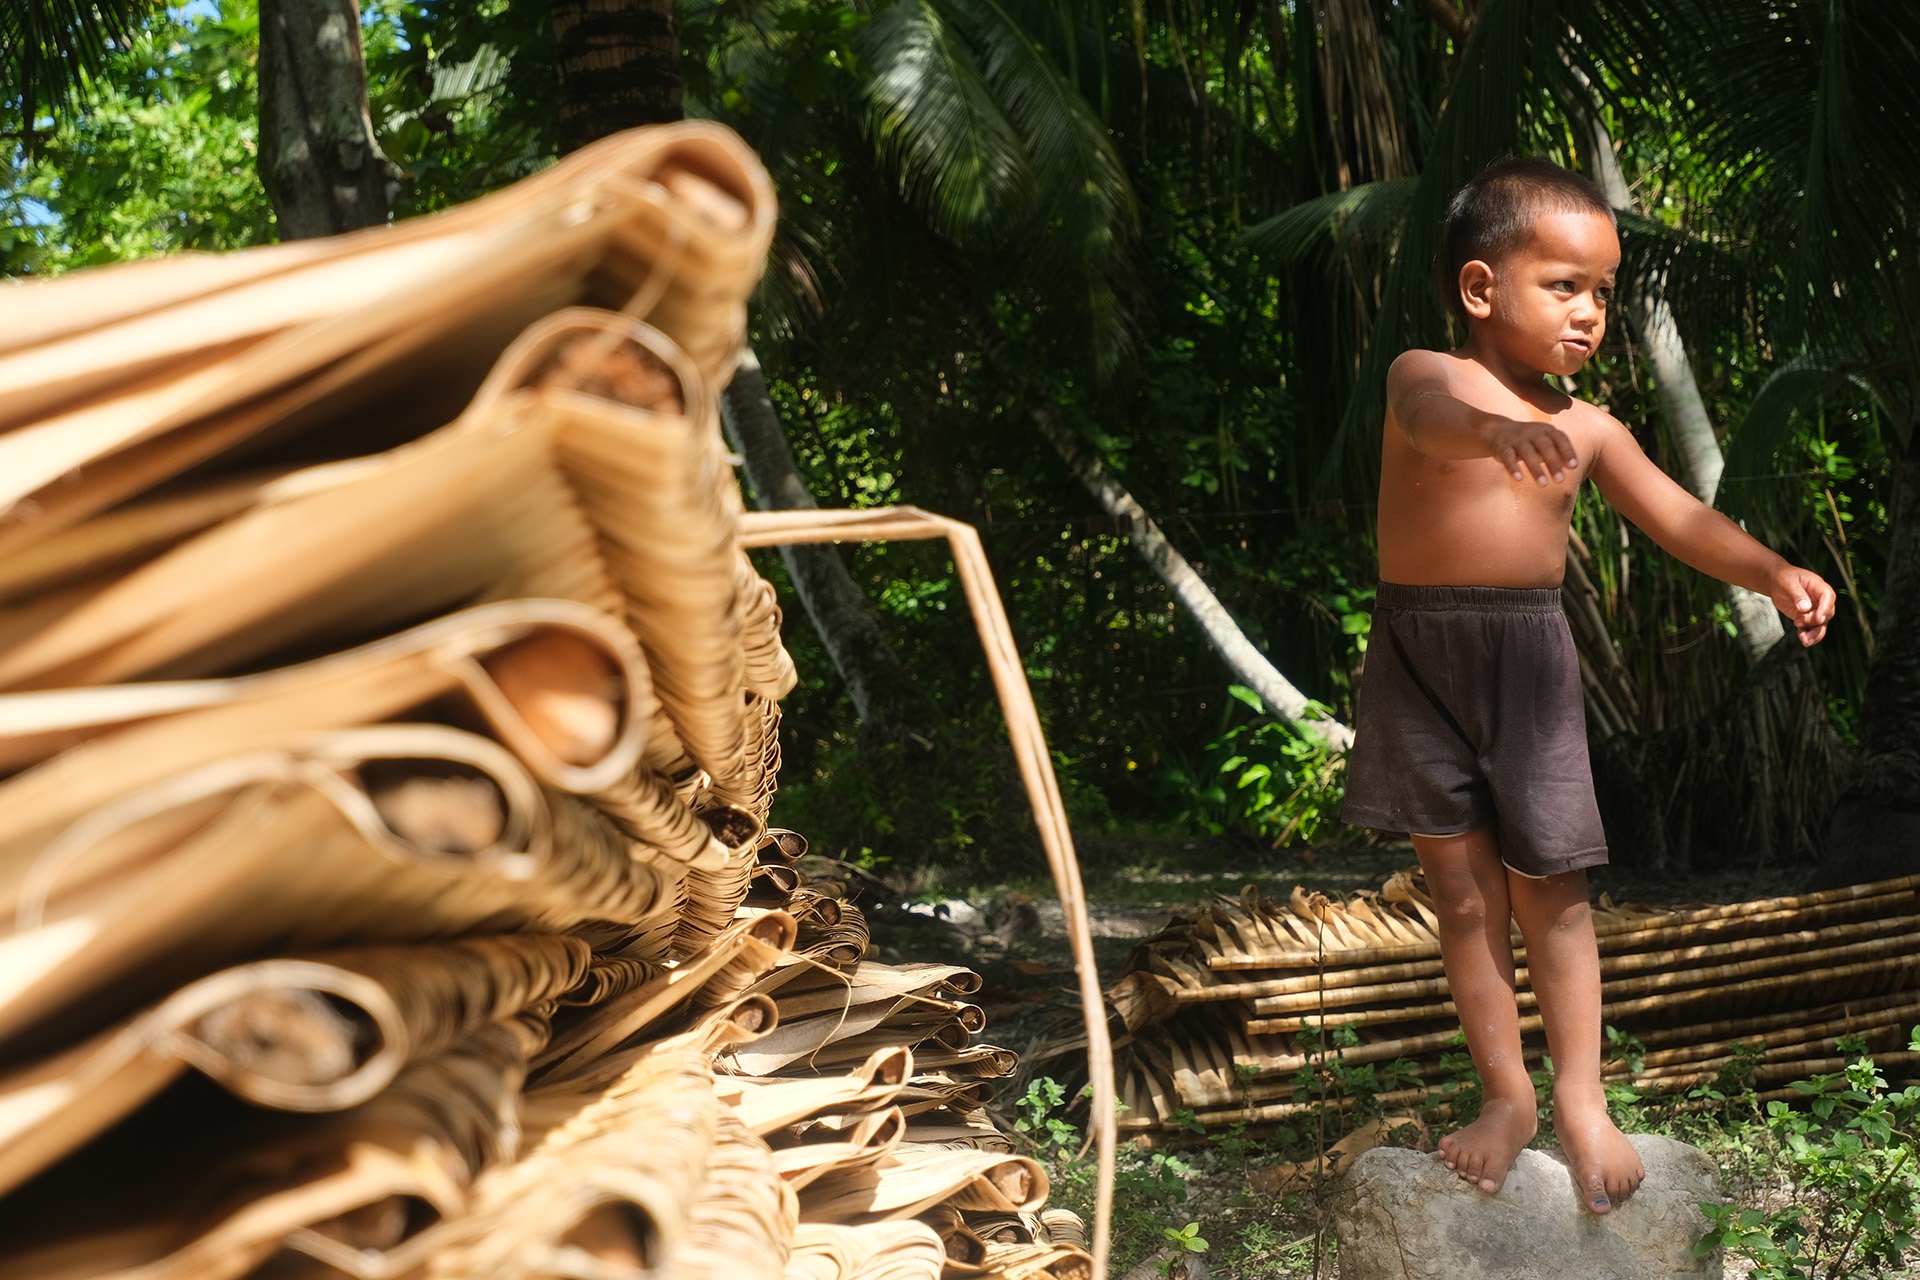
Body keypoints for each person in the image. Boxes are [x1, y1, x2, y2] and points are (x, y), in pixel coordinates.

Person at [1338, 157, 1837, 1215]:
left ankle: (1581, 1097)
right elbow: (1433, 421)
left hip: (1528, 660)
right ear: (1481, 289)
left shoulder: (1591, 425)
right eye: (1565, 284)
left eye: (1604, 291)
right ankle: (1504, 1093)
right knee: (1464, 897)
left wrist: (1771, 568)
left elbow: (1680, 518)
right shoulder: (1423, 372)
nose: (1591, 311)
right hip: (1418, 656)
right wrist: (1495, 430)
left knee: (1551, 889)